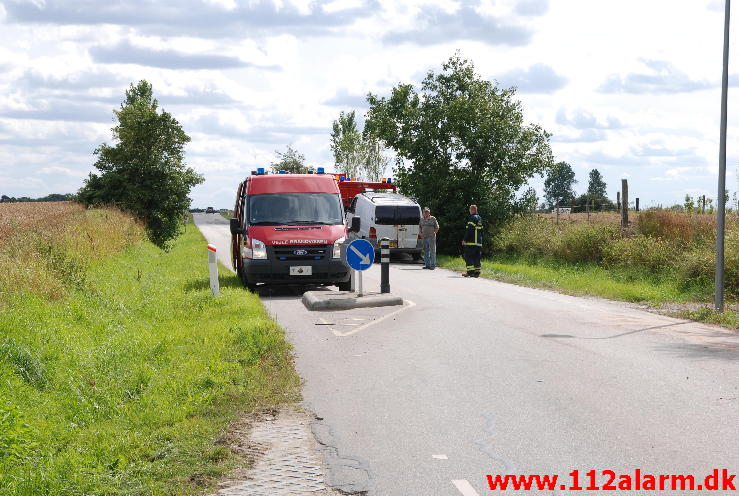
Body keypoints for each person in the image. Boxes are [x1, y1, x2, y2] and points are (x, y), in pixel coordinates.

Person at [462, 204, 483, 277]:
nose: (469, 211)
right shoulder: (480, 218)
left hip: (471, 242)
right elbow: (482, 231)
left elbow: (469, 230)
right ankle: (477, 272)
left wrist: (465, 239)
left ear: (472, 210)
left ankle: (470, 272)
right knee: (477, 257)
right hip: (479, 242)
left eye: (470, 210)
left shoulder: (472, 218)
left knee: (468, 256)